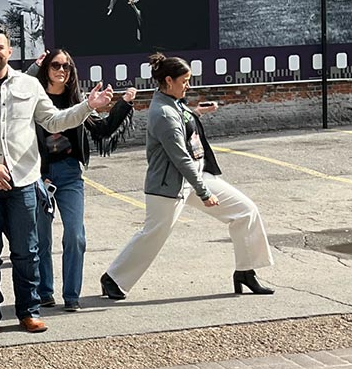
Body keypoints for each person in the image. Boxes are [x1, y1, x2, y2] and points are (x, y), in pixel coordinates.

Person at [0, 26, 114, 336]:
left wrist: (87, 106)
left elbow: (53, 120)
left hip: (24, 183)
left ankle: (29, 311)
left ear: (9, 51)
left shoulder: (28, 85)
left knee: (27, 251)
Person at [100, 53, 274, 301]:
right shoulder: (163, 113)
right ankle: (113, 279)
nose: (188, 85)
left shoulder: (174, 103)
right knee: (153, 234)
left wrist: (196, 113)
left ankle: (245, 272)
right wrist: (204, 193)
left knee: (246, 211)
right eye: (184, 81)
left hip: (195, 177)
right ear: (168, 80)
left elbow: (182, 127)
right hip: (170, 185)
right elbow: (180, 158)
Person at [28, 49, 135, 312]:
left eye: (66, 66)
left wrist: (123, 103)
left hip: (69, 173)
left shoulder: (78, 100)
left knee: (75, 236)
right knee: (41, 238)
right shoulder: (33, 98)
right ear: (46, 68)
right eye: (55, 65)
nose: (61, 70)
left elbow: (102, 129)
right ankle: (44, 292)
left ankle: (71, 295)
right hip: (40, 174)